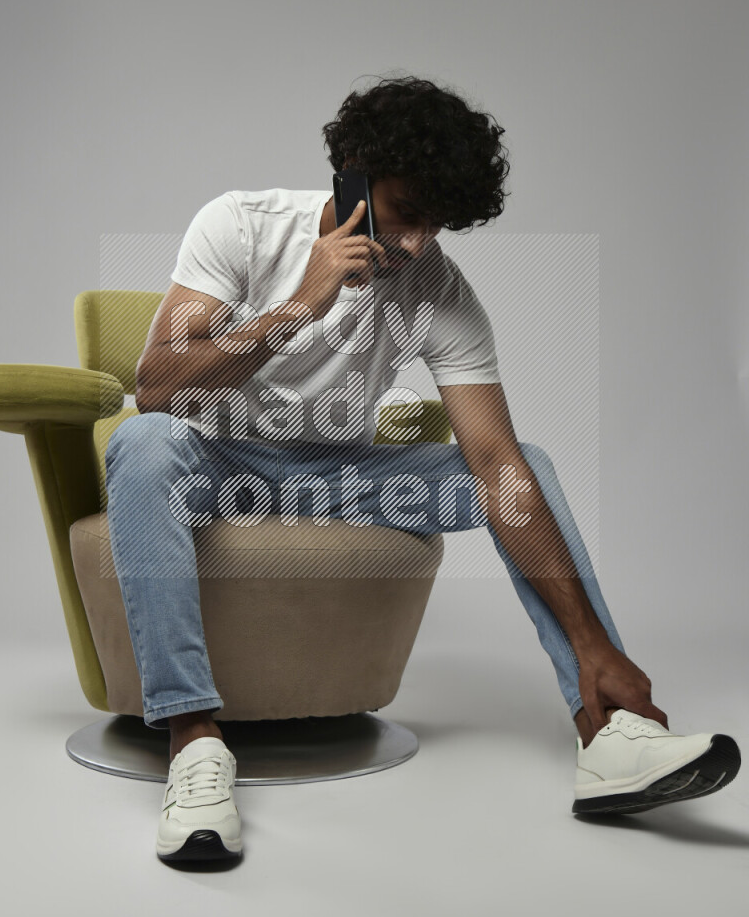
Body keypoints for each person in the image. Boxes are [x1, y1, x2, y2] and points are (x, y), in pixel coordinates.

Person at [104, 75, 741, 863]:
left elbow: (494, 459)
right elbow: (158, 385)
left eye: (437, 225)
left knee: (525, 463)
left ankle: (608, 731)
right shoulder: (241, 226)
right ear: (352, 175)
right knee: (142, 443)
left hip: (337, 477)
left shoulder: (437, 287)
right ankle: (194, 742)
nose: (415, 244)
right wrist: (297, 307)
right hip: (215, 460)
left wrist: (591, 640)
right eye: (405, 214)